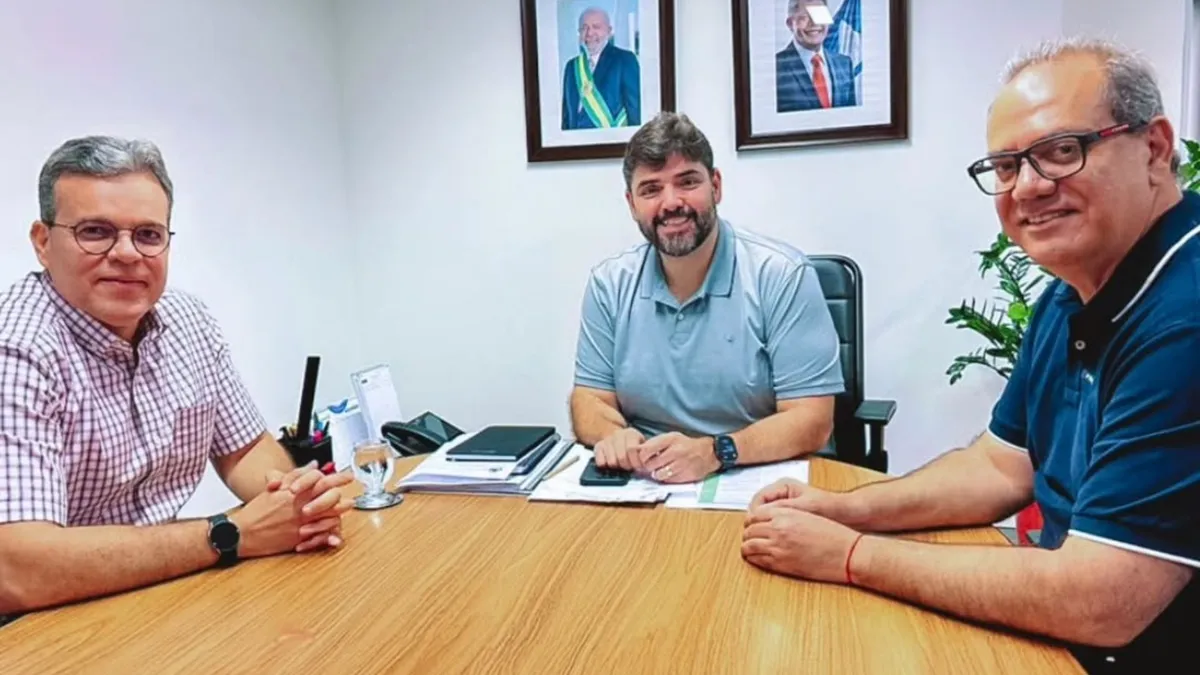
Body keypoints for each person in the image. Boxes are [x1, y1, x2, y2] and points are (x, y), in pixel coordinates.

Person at [743, 38, 1199, 673]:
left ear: (1153, 149)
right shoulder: (1070, 293)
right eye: (1007, 167)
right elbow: (999, 467)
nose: (1029, 187)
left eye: (1062, 151)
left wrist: (848, 555)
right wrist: (840, 508)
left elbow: (1103, 597)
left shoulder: (1185, 312)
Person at [0, 136, 353, 616]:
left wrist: (299, 503)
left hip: (166, 591)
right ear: (43, 243)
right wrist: (231, 535)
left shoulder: (187, 319)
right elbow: (20, 570)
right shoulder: (17, 348)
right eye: (96, 232)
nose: (126, 253)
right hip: (46, 623)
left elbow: (245, 449)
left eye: (148, 235)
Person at [569, 112, 844, 485]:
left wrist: (716, 452)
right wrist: (614, 437)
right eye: (651, 189)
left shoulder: (781, 275)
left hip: (754, 476)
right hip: (646, 484)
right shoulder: (609, 283)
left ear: (716, 186)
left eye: (687, 182)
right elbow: (588, 400)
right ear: (632, 203)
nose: (671, 203)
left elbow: (812, 420)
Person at [561, 7, 640, 130]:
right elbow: (566, 116)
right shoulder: (571, 67)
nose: (589, 33)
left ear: (609, 31)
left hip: (612, 146)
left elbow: (635, 111)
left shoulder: (625, 60)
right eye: (584, 28)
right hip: (575, 146)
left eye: (596, 27)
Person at [776, 0, 856, 113]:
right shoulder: (776, 68)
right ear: (790, 23)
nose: (814, 23)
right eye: (804, 17)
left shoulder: (844, 64)